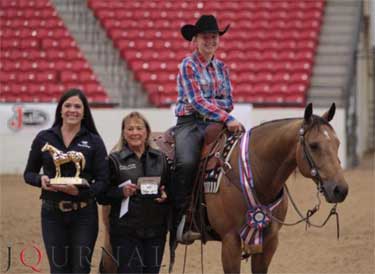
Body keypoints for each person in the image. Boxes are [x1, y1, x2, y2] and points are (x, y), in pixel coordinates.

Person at [173, 14, 244, 243]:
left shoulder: (222, 67)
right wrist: (223, 113)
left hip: (216, 122)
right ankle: (183, 217)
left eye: (214, 37)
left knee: (241, 156)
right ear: (196, 39)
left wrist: (218, 111)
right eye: (205, 37)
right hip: (190, 123)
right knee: (186, 161)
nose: (210, 41)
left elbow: (229, 100)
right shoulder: (188, 65)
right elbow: (196, 101)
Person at [24, 88, 109, 274]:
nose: (73, 110)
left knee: (80, 268)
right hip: (52, 214)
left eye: (78, 106)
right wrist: (41, 180)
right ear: (60, 110)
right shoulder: (43, 138)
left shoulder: (94, 141)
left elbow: (103, 181)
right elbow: (28, 173)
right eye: (68, 105)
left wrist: (80, 192)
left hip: (84, 214)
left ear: (84, 111)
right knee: (58, 269)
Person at [101, 112, 169, 274]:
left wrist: (166, 194)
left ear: (147, 132)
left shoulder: (161, 158)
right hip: (125, 232)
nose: (135, 132)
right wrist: (120, 192)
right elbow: (101, 195)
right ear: (124, 133)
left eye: (139, 128)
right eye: (130, 129)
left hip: (155, 232)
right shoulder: (114, 160)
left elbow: (169, 187)